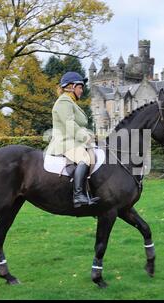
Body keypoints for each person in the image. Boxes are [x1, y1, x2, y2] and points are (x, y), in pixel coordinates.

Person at [46, 71, 100, 208]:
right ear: (70, 87)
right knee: (85, 159)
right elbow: (70, 124)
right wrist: (85, 136)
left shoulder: (71, 102)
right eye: (80, 87)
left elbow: (78, 125)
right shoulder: (64, 101)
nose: (82, 90)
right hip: (64, 142)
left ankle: (89, 192)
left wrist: (90, 135)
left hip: (74, 141)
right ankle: (78, 196)